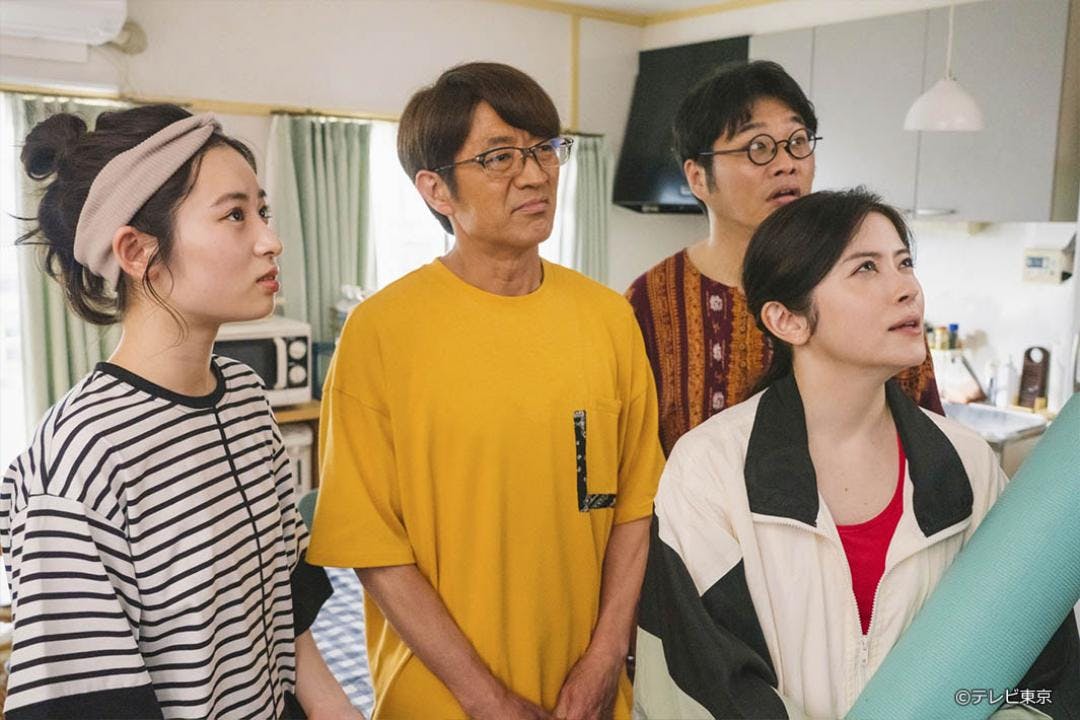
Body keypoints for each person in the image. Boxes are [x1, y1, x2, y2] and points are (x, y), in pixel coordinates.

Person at [632, 188, 1079, 719]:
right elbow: (700, 681)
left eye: (905, 263)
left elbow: (1040, 667)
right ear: (788, 320)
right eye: (866, 268)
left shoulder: (967, 464)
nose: (908, 288)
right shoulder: (709, 469)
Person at [306, 62, 664, 720]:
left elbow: (634, 506)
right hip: (440, 700)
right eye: (499, 157)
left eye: (544, 149)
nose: (535, 175)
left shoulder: (607, 318)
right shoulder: (381, 332)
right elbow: (372, 547)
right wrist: (488, 699)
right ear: (436, 189)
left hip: (586, 695)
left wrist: (605, 657)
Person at [0, 105, 361, 719]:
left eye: (263, 212)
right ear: (138, 250)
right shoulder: (82, 455)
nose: (270, 240)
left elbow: (290, 624)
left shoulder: (246, 399)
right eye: (235, 215)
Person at [626, 60, 942, 456]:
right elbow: (632, 456)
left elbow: (929, 435)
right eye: (758, 147)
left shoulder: (865, 291)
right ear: (698, 177)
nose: (786, 164)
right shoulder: (651, 302)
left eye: (798, 141)